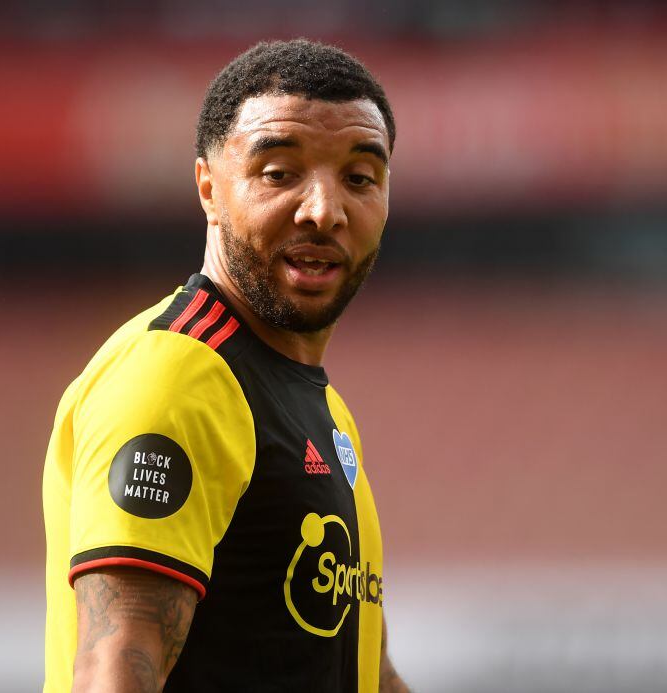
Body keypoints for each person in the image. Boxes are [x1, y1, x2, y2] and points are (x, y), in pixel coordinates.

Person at [42, 38, 410, 692]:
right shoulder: (178, 376)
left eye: (359, 178)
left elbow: (367, 675)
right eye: (278, 172)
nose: (324, 210)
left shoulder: (320, 408)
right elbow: (117, 664)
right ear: (209, 188)